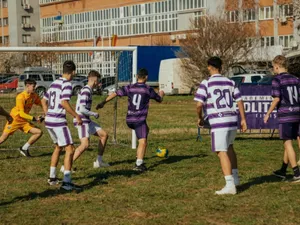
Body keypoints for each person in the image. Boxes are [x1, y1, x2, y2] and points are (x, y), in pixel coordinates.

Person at [194, 56, 247, 195]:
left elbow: (199, 104)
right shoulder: (230, 82)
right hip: (232, 119)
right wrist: (243, 119)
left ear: (209, 67)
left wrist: (199, 118)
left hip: (219, 121)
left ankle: (229, 185)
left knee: (221, 151)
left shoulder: (207, 83)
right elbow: (240, 101)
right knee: (229, 147)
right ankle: (235, 179)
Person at [96, 68, 164, 172]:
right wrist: (161, 94)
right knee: (143, 141)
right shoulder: (147, 89)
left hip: (129, 119)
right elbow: (159, 99)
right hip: (139, 120)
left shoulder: (130, 87)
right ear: (146, 77)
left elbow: (116, 93)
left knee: (146, 130)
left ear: (137, 76)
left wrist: (103, 102)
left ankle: (139, 155)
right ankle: (139, 164)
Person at [41, 60, 83, 191]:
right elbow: (64, 102)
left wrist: (47, 113)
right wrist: (76, 115)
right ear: (73, 72)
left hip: (49, 121)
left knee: (58, 147)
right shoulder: (67, 84)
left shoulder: (54, 83)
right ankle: (67, 182)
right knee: (70, 149)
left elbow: (43, 100)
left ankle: (52, 177)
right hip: (58, 121)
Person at [60, 70, 110, 172]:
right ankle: (65, 167)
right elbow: (81, 109)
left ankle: (98, 162)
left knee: (104, 135)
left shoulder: (88, 90)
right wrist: (94, 113)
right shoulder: (86, 91)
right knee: (85, 145)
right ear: (95, 80)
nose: (99, 83)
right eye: (98, 80)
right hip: (81, 121)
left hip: (86, 120)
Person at [264, 55, 300, 182]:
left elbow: (277, 98)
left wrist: (268, 113)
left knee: (287, 142)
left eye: (273, 67)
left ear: (277, 66)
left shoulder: (277, 80)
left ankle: (296, 172)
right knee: (290, 140)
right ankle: (283, 170)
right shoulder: (296, 79)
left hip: (286, 114)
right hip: (297, 112)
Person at [0, 79, 43, 157]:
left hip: (23, 121)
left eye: (35, 86)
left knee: (38, 132)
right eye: (33, 86)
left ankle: (24, 148)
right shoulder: (20, 97)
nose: (35, 88)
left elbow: (42, 104)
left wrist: (46, 113)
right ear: (27, 86)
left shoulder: (34, 95)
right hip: (14, 119)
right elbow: (21, 113)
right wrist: (34, 119)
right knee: (3, 138)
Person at [288, 62, 300, 166]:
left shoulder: (294, 81)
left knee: (288, 140)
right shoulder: (296, 81)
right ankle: (283, 168)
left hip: (293, 111)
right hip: (296, 110)